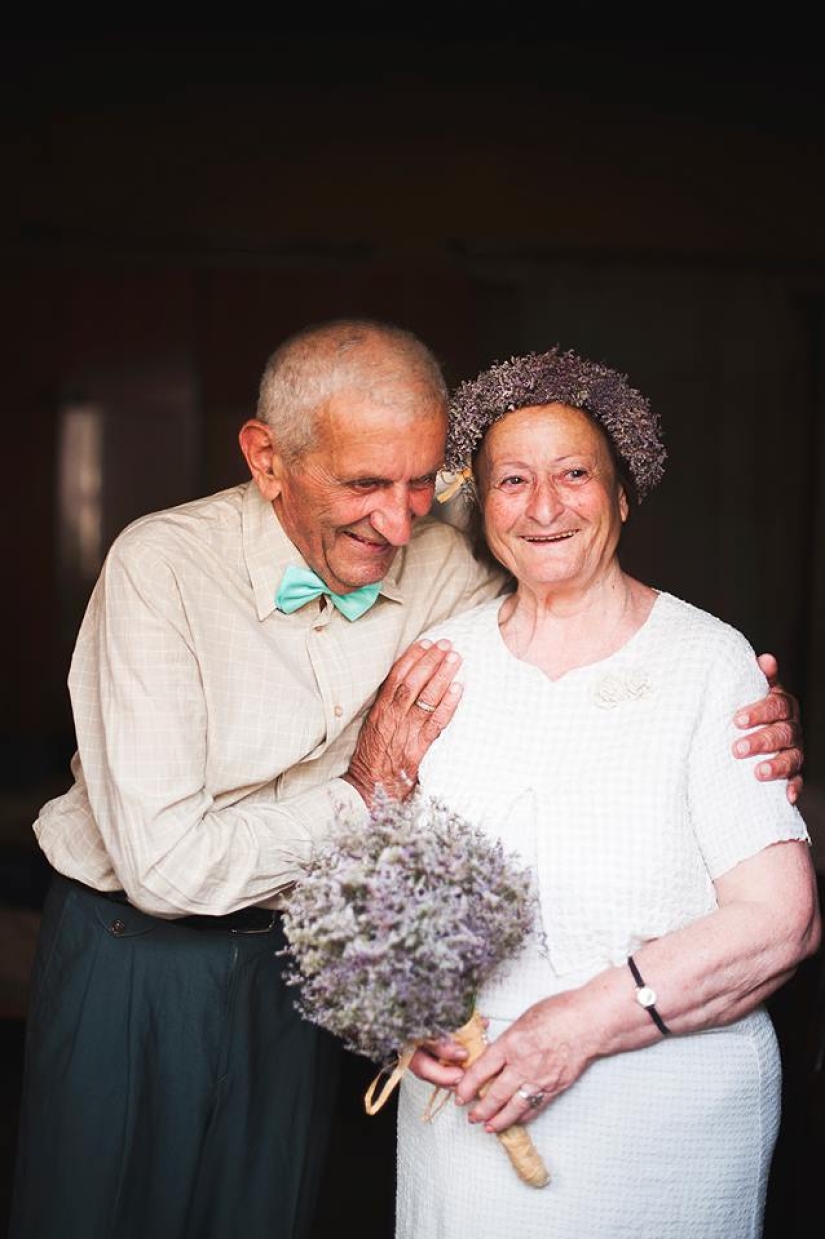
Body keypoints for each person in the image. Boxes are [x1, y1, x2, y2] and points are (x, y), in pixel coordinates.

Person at [10, 321, 802, 1239]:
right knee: (95, 1215)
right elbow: (167, 868)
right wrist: (363, 791)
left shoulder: (451, 555)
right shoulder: (161, 569)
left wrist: (738, 702)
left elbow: (562, 577)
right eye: (362, 485)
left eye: (423, 482)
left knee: (263, 1215)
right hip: (133, 950)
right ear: (267, 460)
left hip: (293, 954)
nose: (398, 521)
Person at [396, 346, 821, 1239]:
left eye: (573, 474)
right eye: (511, 480)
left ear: (621, 494)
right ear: (482, 508)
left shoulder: (709, 663)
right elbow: (393, 888)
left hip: (666, 1115)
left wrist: (574, 1026)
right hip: (469, 1109)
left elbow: (780, 920)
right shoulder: (440, 662)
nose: (542, 507)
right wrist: (408, 1007)